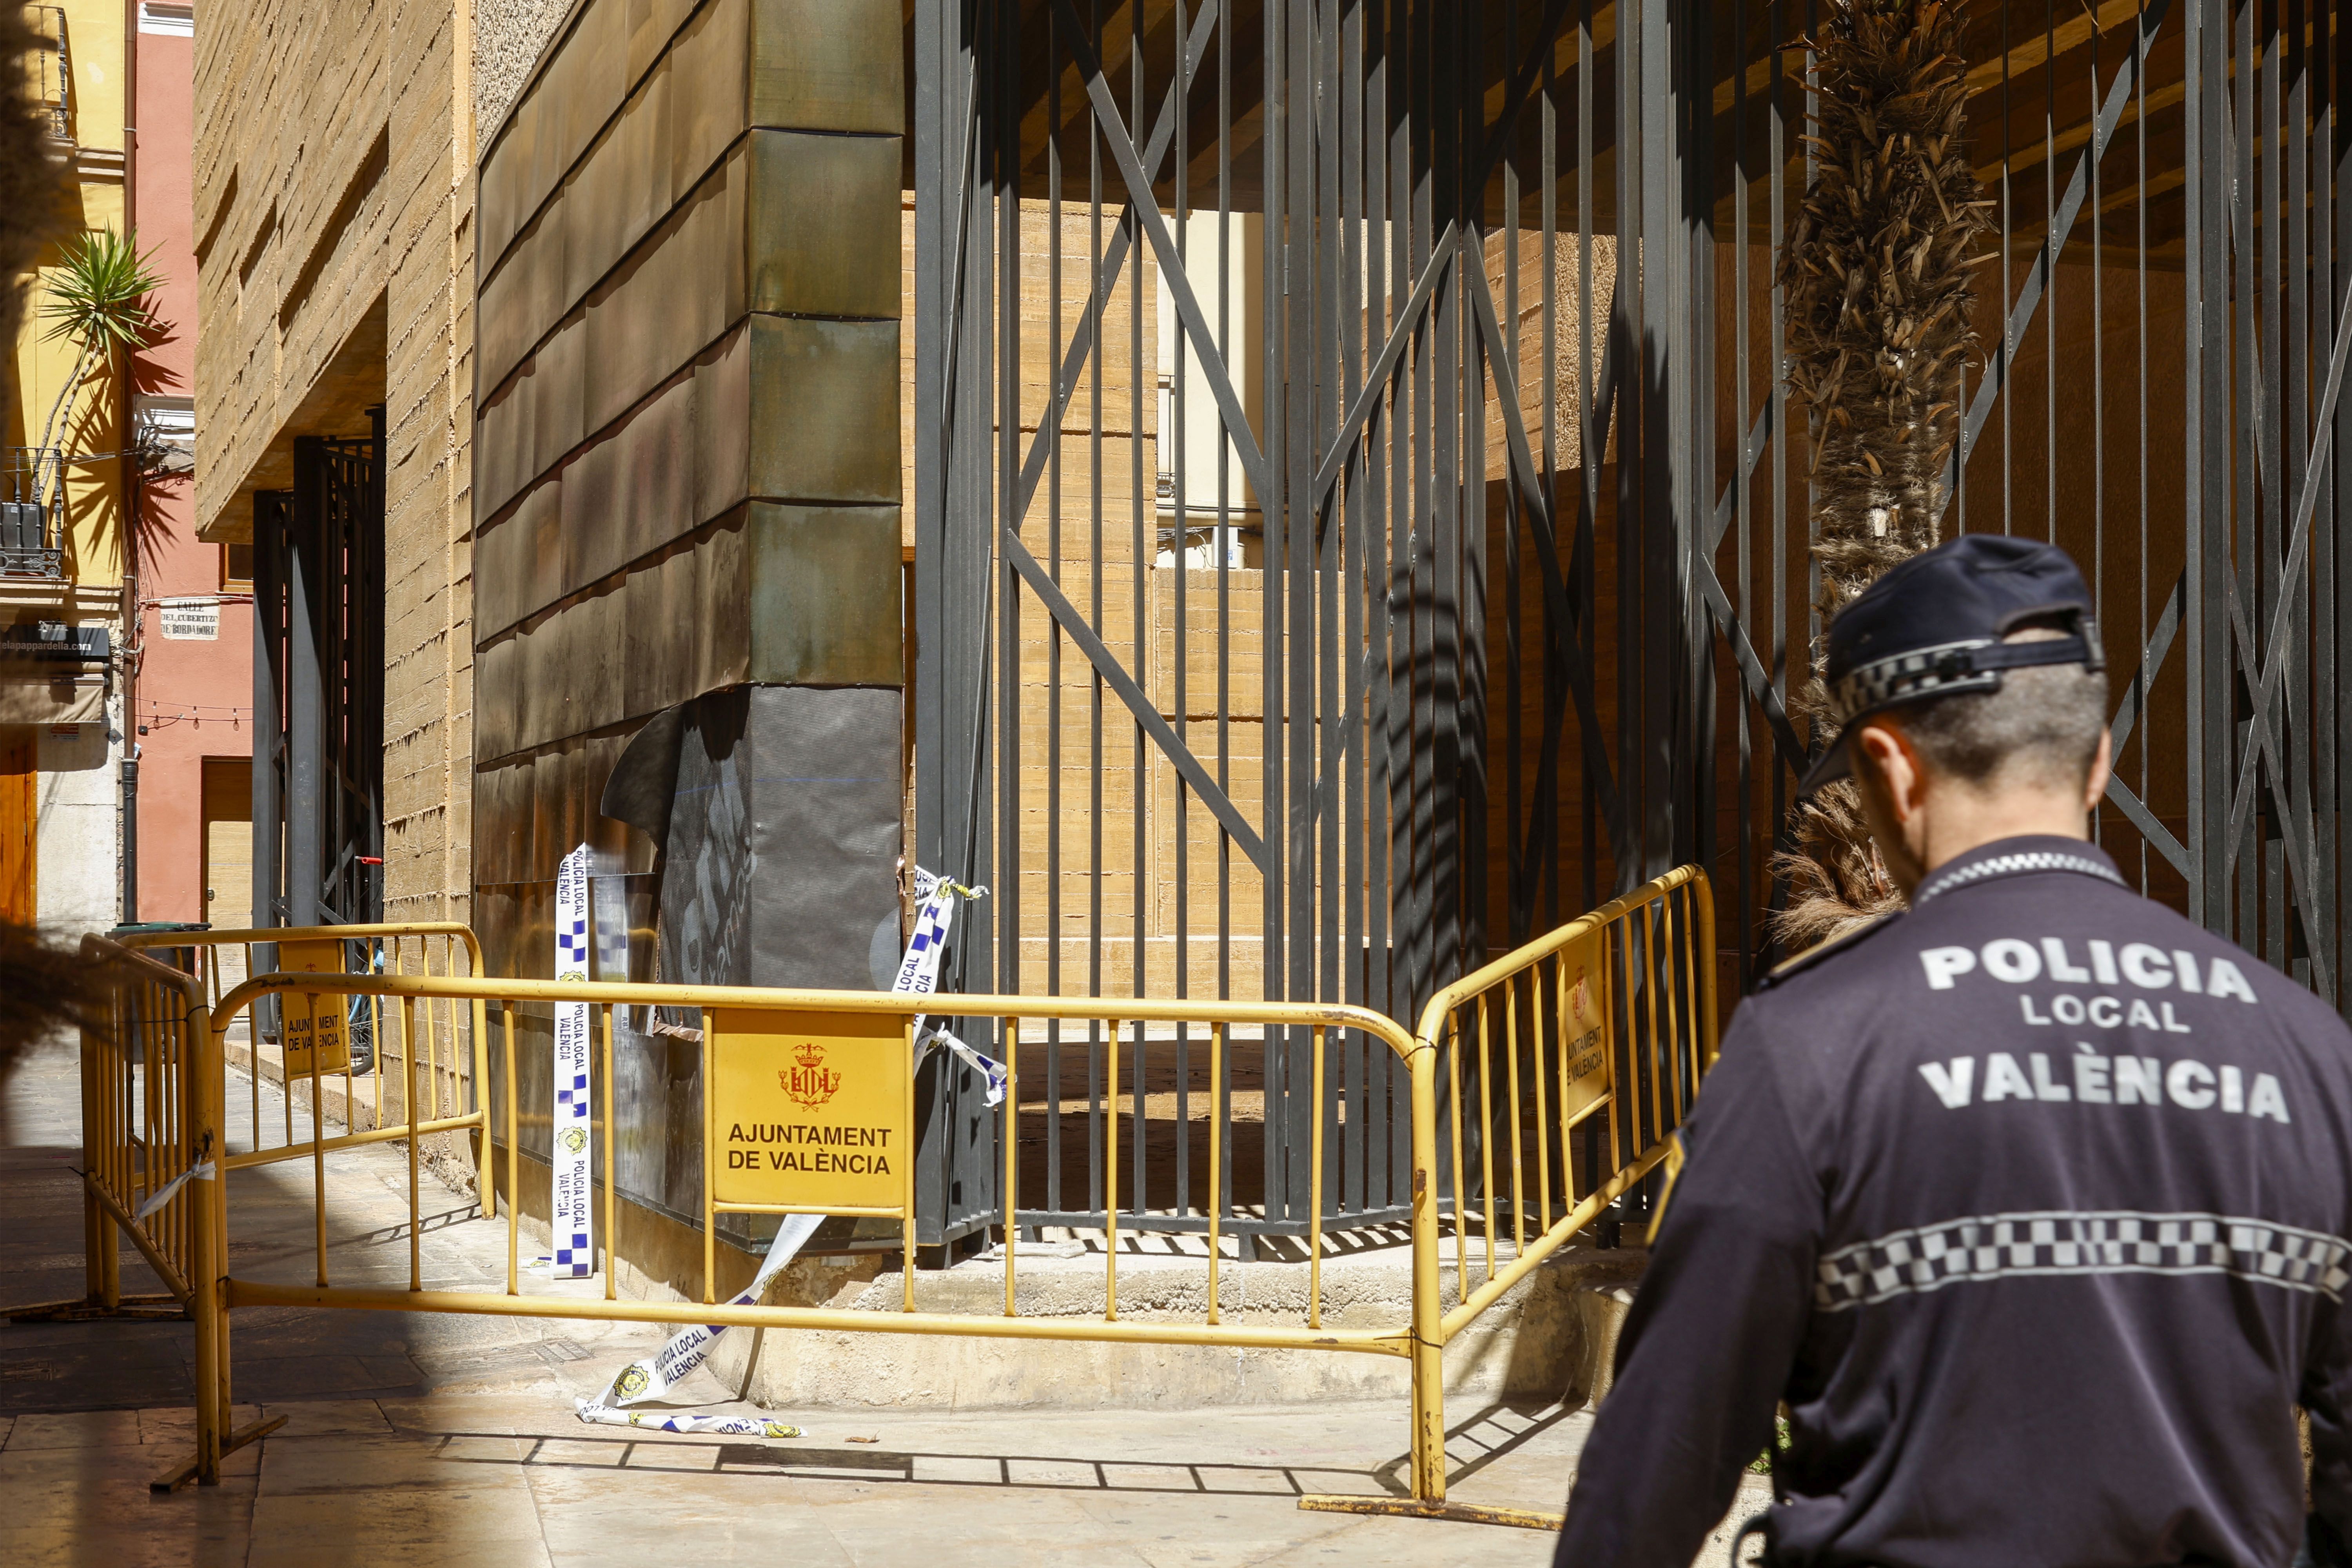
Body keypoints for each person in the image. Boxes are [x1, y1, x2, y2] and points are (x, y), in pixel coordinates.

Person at [1553, 534, 2352, 1567]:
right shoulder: (2304, 1047)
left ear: (1888, 768)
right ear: (2097, 758)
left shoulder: (1810, 1046)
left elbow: (1661, 1459)